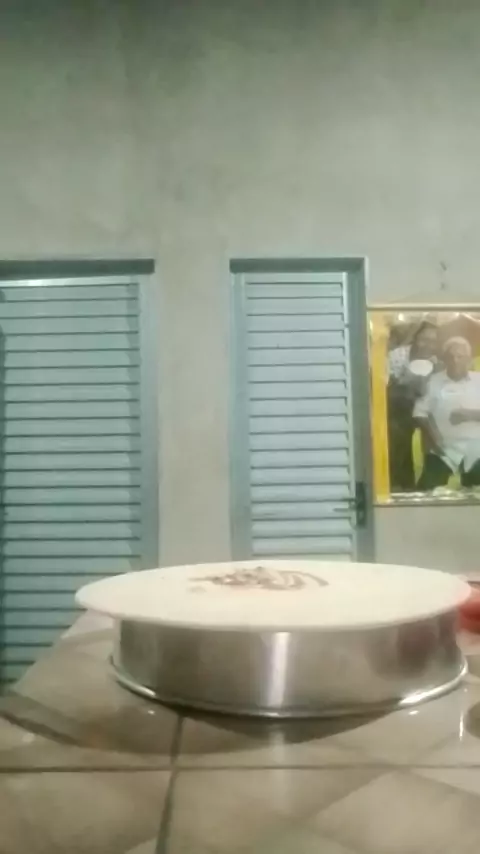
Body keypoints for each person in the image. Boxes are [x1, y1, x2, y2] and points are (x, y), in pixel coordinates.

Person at [413, 336, 480, 490]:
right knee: (425, 492)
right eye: (451, 357)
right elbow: (419, 413)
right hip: (444, 449)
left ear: (469, 359)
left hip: (476, 449)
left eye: (460, 357)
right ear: (444, 360)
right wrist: (433, 437)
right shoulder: (433, 381)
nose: (455, 361)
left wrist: (470, 415)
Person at [387, 321, 438, 491]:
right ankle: (401, 483)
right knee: (399, 433)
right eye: (424, 339)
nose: (428, 345)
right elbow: (385, 387)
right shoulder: (398, 356)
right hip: (398, 407)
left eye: (433, 341)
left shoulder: (435, 361)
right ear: (415, 339)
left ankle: (430, 480)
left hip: (422, 408)